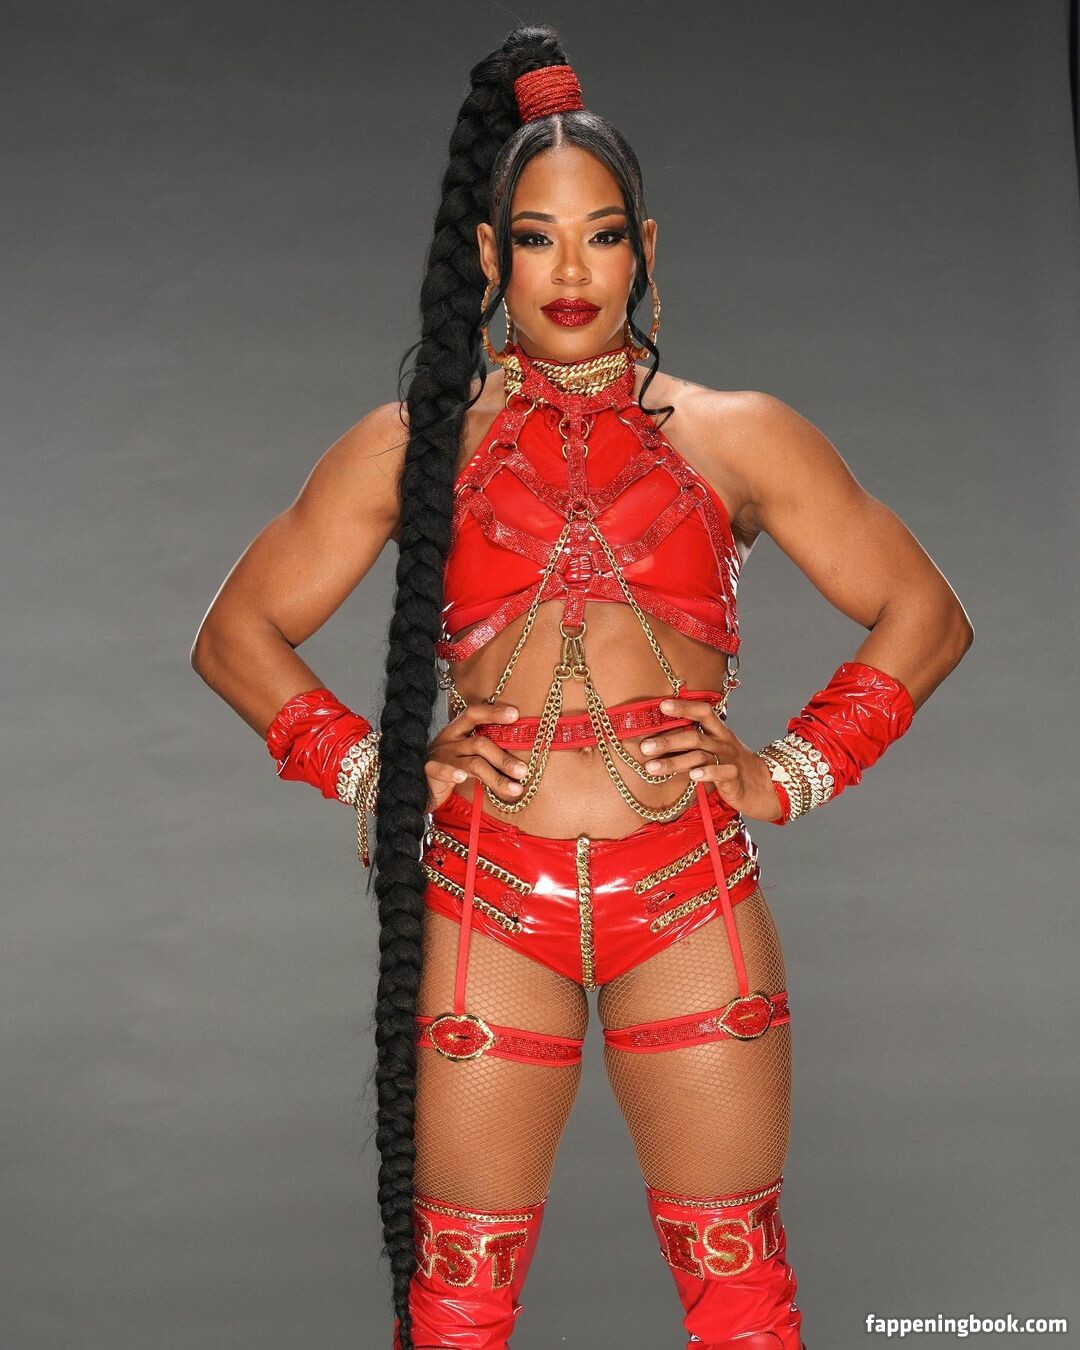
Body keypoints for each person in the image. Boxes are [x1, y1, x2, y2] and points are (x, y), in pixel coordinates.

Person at [190, 24, 973, 1350]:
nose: (570, 272)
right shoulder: (411, 446)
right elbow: (236, 634)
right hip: (485, 907)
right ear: (490, 255)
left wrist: (790, 769)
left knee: (742, 1302)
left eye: (602, 237)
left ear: (646, 250)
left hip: (692, 899)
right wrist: (376, 770)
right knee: (456, 1310)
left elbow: (927, 614)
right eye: (537, 239)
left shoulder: (739, 436)